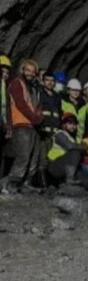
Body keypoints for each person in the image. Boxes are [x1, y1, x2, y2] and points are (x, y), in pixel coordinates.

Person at [1, 59, 43, 194]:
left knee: (34, 157)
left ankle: (26, 183)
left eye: (33, 71)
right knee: (23, 156)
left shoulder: (33, 87)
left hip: (33, 126)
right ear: (22, 70)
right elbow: (20, 104)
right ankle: (11, 184)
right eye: (27, 70)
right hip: (21, 124)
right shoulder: (16, 84)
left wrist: (39, 118)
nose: (30, 73)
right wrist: (35, 118)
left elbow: (36, 105)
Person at [37, 70, 62, 187]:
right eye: (47, 80)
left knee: (53, 159)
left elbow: (59, 114)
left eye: (52, 81)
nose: (50, 83)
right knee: (42, 159)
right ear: (43, 81)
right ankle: (43, 184)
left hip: (54, 133)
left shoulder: (57, 97)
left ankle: (52, 184)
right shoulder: (39, 94)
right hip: (43, 132)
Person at [47, 113, 85, 186]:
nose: (73, 126)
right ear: (64, 124)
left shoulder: (72, 137)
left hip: (64, 164)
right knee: (75, 153)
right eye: (70, 123)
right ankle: (69, 179)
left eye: (74, 124)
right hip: (54, 165)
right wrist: (83, 147)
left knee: (86, 182)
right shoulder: (59, 134)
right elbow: (70, 146)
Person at [0, 54, 12, 177]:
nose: (5, 74)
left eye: (7, 73)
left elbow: (7, 109)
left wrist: (8, 126)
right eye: (2, 71)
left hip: (2, 126)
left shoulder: (5, 87)